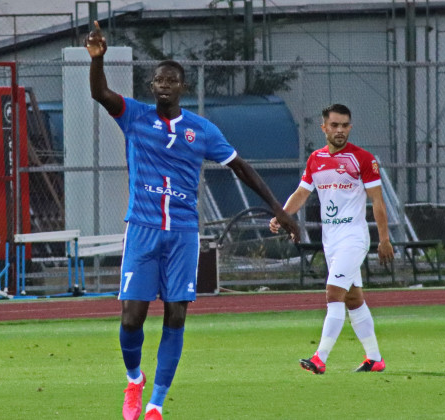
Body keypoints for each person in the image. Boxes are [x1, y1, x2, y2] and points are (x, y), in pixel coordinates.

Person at [85, 21, 300, 420]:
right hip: (143, 230)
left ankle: (155, 404)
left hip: (182, 234)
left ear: (181, 86)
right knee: (132, 318)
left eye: (172, 80)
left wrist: (278, 208)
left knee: (176, 313)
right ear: (152, 85)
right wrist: (96, 60)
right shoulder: (134, 116)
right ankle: (135, 380)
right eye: (159, 79)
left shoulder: (201, 130)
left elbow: (241, 168)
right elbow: (99, 92)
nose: (164, 84)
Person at [269, 103, 394, 374]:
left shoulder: (362, 159)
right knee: (353, 299)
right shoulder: (315, 159)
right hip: (331, 240)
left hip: (354, 237)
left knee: (333, 294)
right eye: (334, 125)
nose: (340, 130)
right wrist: (282, 215)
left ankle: (319, 358)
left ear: (350, 127)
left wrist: (384, 239)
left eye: (344, 125)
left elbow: (377, 202)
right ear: (324, 127)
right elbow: (301, 193)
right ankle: (375, 358)